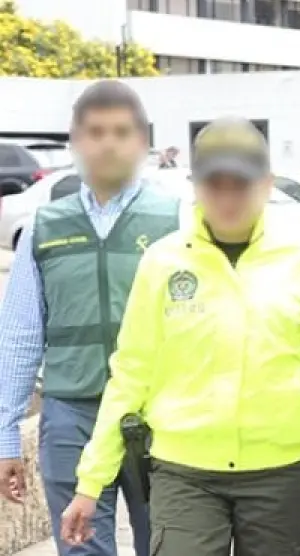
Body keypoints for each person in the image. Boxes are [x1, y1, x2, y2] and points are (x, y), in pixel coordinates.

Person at [59, 117, 300, 556]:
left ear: (266, 184)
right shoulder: (163, 263)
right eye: (214, 184)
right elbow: (131, 374)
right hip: (185, 473)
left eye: (240, 184)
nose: (227, 198)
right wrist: (91, 483)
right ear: (195, 185)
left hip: (280, 472)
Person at [0, 81, 178, 556]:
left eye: (121, 132)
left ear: (142, 142)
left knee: (167, 544)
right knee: (81, 549)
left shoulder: (176, 222)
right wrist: (6, 435)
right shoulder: (43, 227)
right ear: (75, 142)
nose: (108, 144)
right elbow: (20, 335)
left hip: (156, 415)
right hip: (71, 416)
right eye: (95, 132)